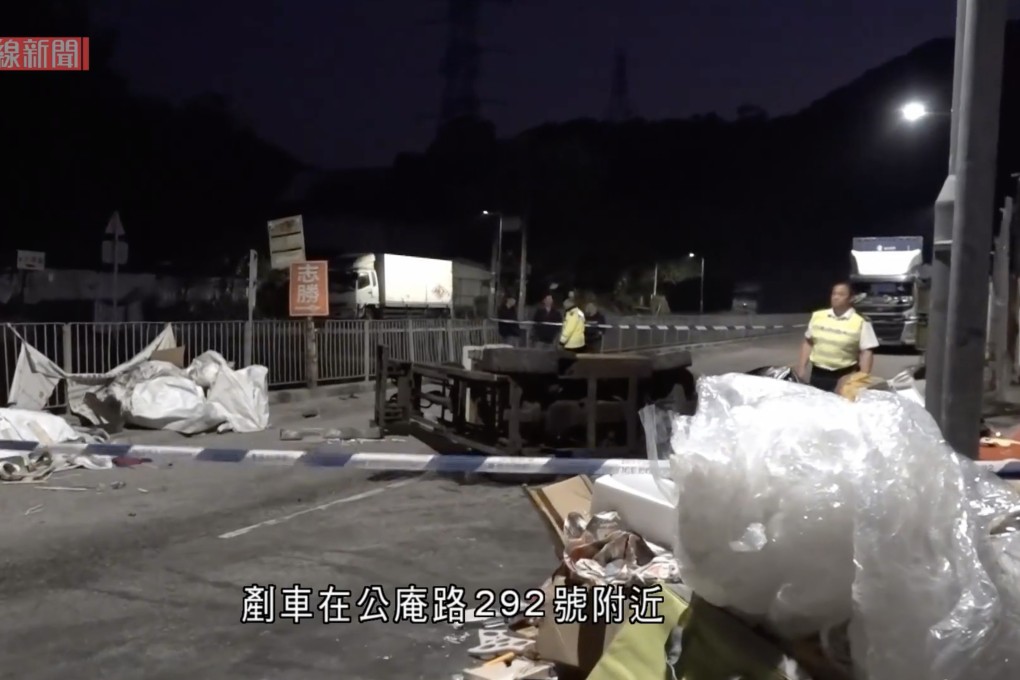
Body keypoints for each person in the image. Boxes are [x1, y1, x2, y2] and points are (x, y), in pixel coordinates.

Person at [797, 282, 879, 392]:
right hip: (818, 375)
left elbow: (866, 352)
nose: (836, 297)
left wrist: (862, 378)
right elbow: (808, 342)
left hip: (845, 375)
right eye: (834, 294)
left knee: (841, 406)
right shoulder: (818, 316)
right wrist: (802, 367)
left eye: (841, 294)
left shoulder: (861, 322)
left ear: (851, 298)